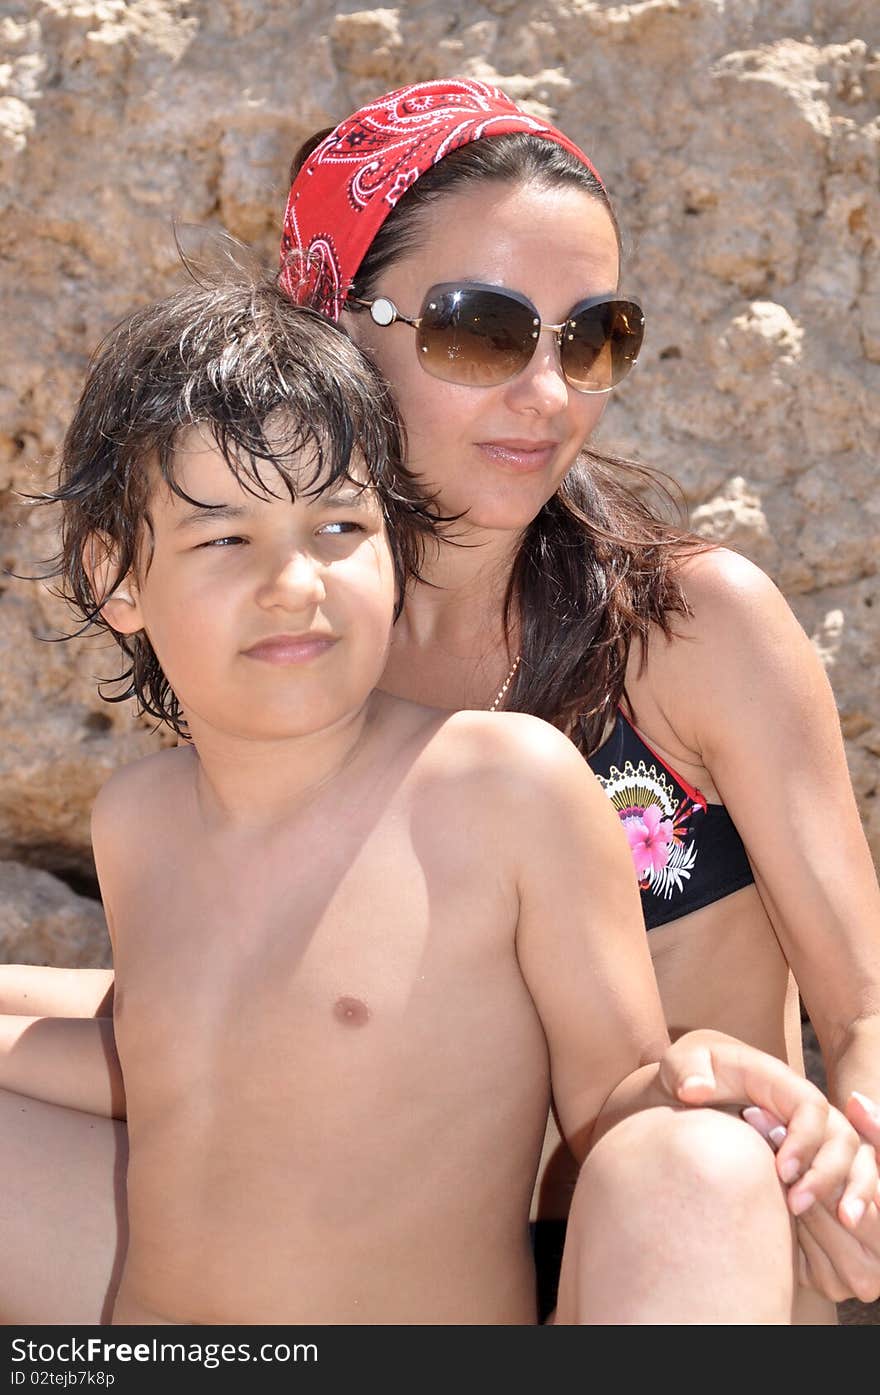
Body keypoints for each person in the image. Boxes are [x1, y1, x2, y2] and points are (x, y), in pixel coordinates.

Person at [2, 77, 879, 1322]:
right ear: (330, 325)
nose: (548, 391)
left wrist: (853, 1154)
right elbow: (257, 1019)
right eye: (482, 330)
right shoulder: (298, 639)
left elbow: (864, 1005)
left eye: (592, 339)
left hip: (667, 1249)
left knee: (693, 1164)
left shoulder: (692, 625)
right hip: (393, 1251)